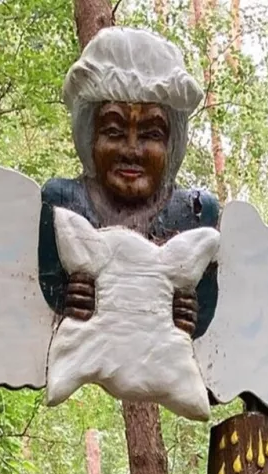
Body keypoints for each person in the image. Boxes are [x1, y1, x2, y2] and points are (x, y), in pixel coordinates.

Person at [37, 26, 220, 340]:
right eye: (113, 131)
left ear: (173, 143)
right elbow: (48, 285)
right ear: (88, 136)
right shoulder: (64, 202)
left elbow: (203, 313)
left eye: (151, 134)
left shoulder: (195, 213)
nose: (132, 150)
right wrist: (67, 296)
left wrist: (189, 312)